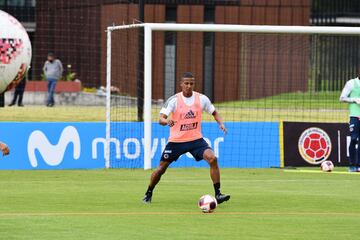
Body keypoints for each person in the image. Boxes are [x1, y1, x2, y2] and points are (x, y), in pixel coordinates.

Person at [143, 72, 230, 204]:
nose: (189, 86)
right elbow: (161, 118)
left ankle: (218, 194)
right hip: (176, 142)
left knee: (213, 159)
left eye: (191, 83)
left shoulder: (202, 99)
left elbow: (214, 112)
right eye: (186, 83)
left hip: (196, 140)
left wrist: (221, 123)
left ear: (193, 84)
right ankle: (148, 192)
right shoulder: (174, 100)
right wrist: (167, 121)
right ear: (181, 84)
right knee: (161, 169)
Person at [340, 69, 360, 172]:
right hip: (354, 116)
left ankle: (359, 165)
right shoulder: (352, 83)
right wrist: (354, 99)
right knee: (353, 139)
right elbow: (342, 98)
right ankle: (352, 165)